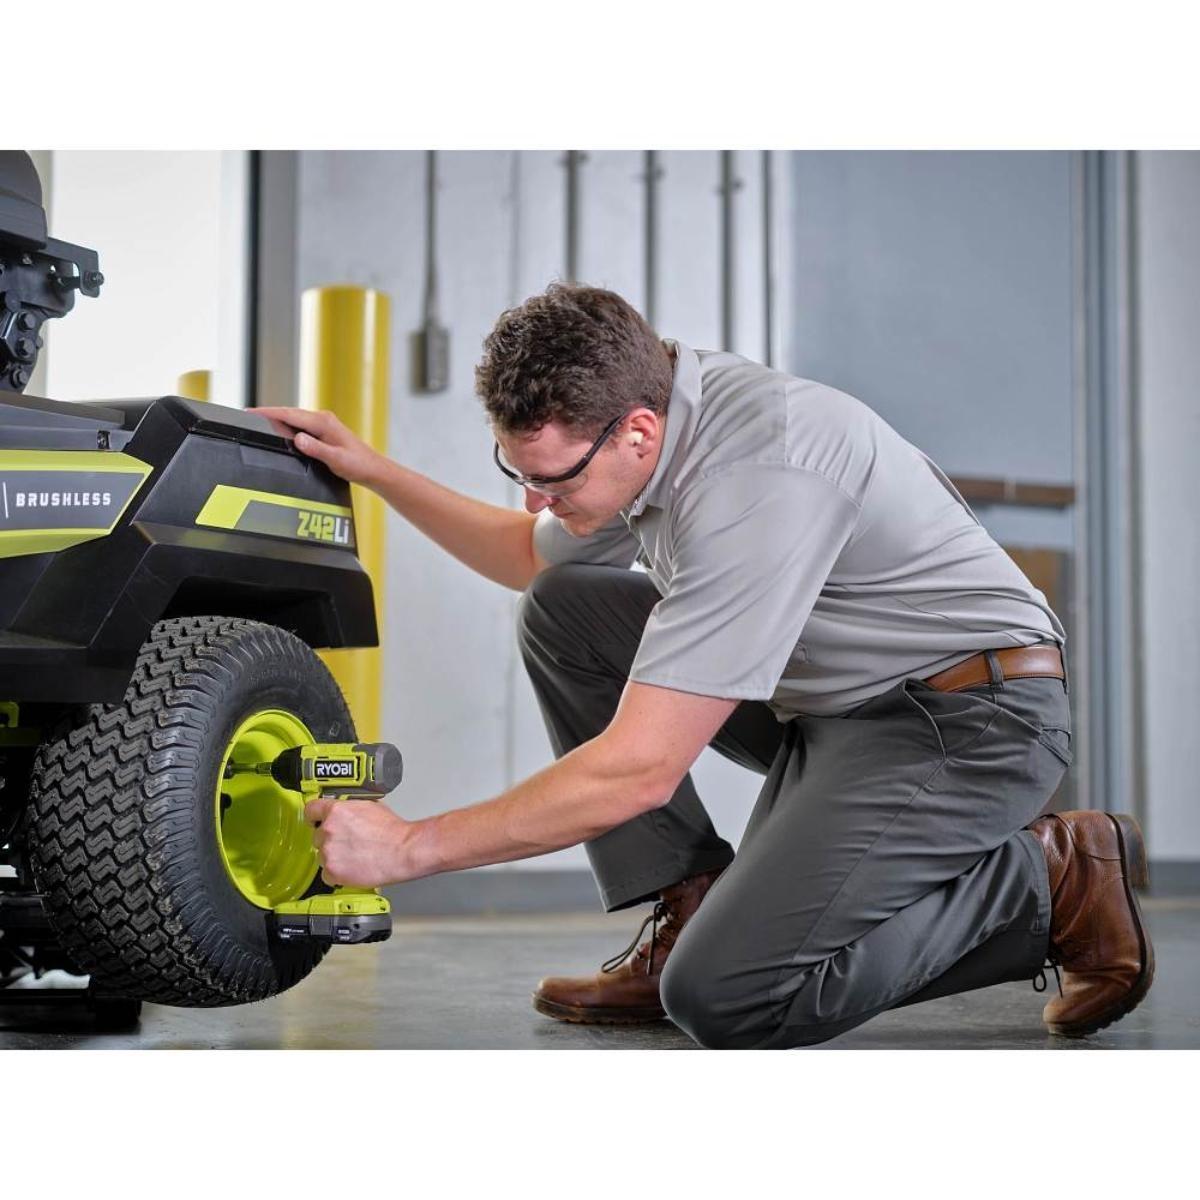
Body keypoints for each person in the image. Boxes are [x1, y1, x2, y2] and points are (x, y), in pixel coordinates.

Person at [258, 283, 1154, 1049]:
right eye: (518, 471)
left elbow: (637, 771)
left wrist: (410, 846)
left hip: (969, 722)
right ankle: (686, 906)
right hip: (842, 711)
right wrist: (370, 470)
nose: (535, 499)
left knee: (731, 995)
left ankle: (1052, 882)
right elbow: (525, 556)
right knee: (567, 607)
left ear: (636, 433)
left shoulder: (752, 478)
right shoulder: (648, 422)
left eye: (555, 481)